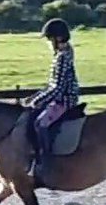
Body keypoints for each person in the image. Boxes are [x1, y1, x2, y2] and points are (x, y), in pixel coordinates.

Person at [25, 18, 80, 182]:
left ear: (58, 38)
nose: (48, 43)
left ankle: (46, 162)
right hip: (61, 96)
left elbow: (58, 88)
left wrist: (37, 102)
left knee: (40, 123)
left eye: (50, 39)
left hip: (64, 100)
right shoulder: (62, 54)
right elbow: (52, 85)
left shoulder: (63, 57)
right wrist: (36, 96)